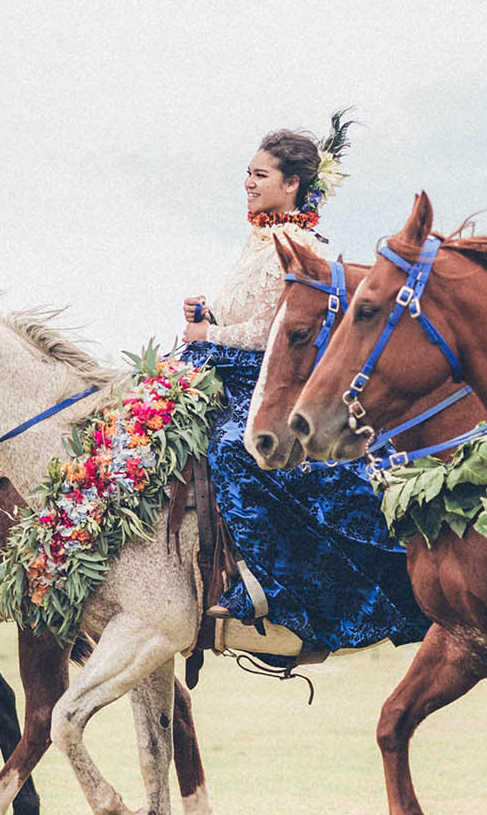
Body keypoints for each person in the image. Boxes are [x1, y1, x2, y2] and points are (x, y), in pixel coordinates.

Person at [179, 113, 427, 655]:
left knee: (230, 450)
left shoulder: (297, 243)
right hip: (223, 370)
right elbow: (244, 314)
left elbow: (277, 334)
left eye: (260, 175)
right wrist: (207, 316)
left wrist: (207, 334)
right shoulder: (261, 239)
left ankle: (273, 586)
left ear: (292, 185)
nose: (248, 182)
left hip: (267, 383)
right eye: (247, 172)